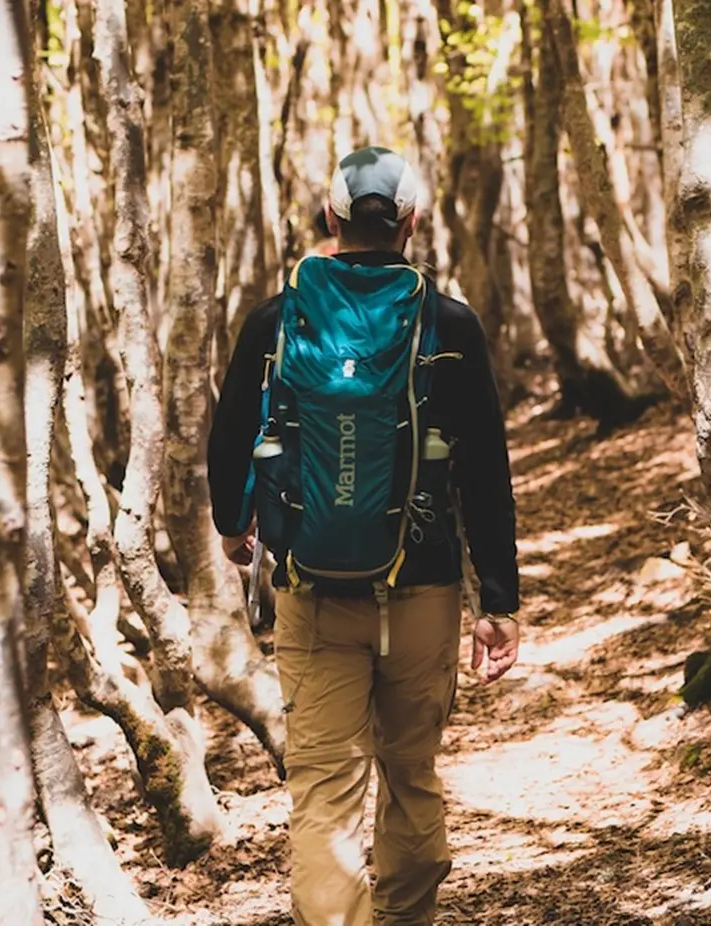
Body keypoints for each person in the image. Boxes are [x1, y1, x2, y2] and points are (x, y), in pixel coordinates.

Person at [207, 145, 520, 926]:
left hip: (312, 591)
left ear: (330, 218)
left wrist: (233, 525)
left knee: (323, 794)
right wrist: (498, 599)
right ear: (412, 221)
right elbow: (484, 468)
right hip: (424, 588)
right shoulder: (449, 324)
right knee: (410, 776)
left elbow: (231, 433)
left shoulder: (277, 321)